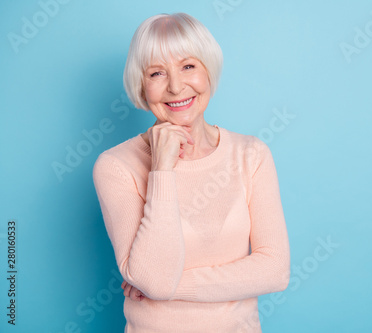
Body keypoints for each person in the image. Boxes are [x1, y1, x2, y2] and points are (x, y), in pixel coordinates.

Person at [93, 12, 290, 332]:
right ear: (141, 87)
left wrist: (167, 286)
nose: (175, 86)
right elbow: (154, 279)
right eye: (157, 73)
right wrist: (161, 168)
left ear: (208, 70)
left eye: (188, 66)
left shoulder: (251, 154)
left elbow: (274, 271)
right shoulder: (116, 166)